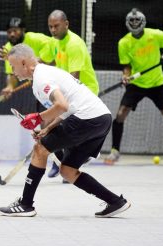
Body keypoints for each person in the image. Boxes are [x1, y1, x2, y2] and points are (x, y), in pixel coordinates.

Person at [0, 44, 131, 218]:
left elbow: (61, 105)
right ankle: (115, 202)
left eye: (13, 67)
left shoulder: (41, 78)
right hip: (101, 118)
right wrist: (47, 128)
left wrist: (38, 118)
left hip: (87, 118)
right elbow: (67, 108)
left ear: (24, 63)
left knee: (40, 149)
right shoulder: (45, 72)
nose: (13, 72)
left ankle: (25, 204)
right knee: (67, 170)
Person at [104, 8, 163, 166]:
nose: (135, 24)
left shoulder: (155, 34)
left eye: (137, 21)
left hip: (157, 83)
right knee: (121, 114)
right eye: (132, 21)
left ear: (142, 22)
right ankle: (115, 152)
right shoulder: (124, 42)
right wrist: (125, 76)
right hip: (137, 84)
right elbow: (126, 66)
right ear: (128, 23)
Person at [0, 17, 61, 179]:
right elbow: (12, 73)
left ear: (23, 31)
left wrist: (35, 64)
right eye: (9, 31)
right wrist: (10, 86)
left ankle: (58, 161)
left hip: (55, 77)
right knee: (48, 122)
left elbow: (55, 47)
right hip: (40, 85)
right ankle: (60, 160)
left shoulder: (35, 38)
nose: (12, 34)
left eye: (16, 30)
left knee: (51, 120)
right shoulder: (8, 48)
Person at [46, 10, 101, 180]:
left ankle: (67, 161)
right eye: (50, 27)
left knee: (66, 125)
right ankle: (62, 161)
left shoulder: (75, 44)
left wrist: (61, 104)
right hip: (67, 90)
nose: (53, 30)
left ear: (66, 24)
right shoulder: (54, 42)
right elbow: (48, 61)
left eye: (56, 26)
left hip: (84, 91)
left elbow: (74, 78)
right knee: (52, 123)